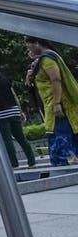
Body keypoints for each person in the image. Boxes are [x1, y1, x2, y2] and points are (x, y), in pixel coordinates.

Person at [26, 37, 78, 167]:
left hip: (60, 103)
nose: (29, 49)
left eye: (29, 46)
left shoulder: (48, 59)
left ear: (37, 43)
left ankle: (65, 162)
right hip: (52, 103)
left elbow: (56, 80)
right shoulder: (43, 60)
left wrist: (57, 103)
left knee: (60, 133)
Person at [0, 58, 38, 168]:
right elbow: (14, 95)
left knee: (6, 139)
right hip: (13, 109)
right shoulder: (3, 78)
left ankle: (14, 163)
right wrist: (20, 110)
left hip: (0, 112)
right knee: (21, 137)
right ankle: (31, 161)